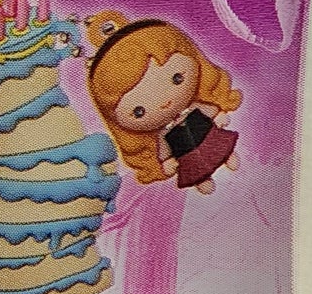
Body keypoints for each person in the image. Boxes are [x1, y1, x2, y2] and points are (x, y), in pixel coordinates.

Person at [84, 11, 241, 193]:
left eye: (177, 78)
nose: (165, 102)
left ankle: (227, 156)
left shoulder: (193, 108)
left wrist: (218, 113)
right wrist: (165, 162)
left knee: (220, 146)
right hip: (186, 155)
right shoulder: (163, 133)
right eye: (139, 111)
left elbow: (207, 109)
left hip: (209, 136)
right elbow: (163, 148)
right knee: (195, 169)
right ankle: (202, 180)